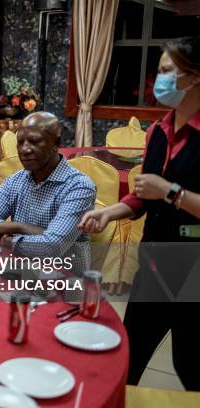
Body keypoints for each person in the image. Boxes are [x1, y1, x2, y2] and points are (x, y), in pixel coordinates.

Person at [79, 36, 200, 390]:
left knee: (190, 363)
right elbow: (143, 196)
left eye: (165, 71)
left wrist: (171, 193)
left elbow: (160, 191)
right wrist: (110, 213)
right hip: (156, 258)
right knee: (130, 351)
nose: (157, 80)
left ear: (192, 77)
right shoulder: (158, 131)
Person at [0, 111, 96, 272]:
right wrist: (21, 227)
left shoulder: (79, 187)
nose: (25, 150)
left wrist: (9, 241)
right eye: (20, 142)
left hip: (65, 282)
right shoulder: (17, 180)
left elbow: (50, 249)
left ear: (56, 143)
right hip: (19, 273)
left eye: (34, 141)